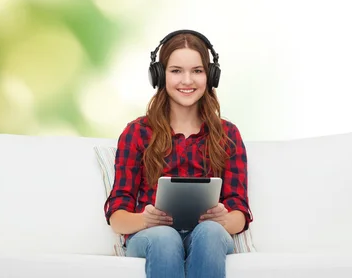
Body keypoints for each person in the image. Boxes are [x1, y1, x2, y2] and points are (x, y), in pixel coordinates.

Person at [104, 30, 252, 278]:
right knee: (165, 237)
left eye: (197, 71)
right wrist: (146, 220)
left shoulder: (228, 134)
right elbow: (117, 217)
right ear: (160, 75)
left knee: (211, 232)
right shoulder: (137, 132)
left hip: (208, 236)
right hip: (152, 237)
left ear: (210, 76)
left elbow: (240, 214)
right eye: (176, 71)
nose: (187, 80)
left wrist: (223, 219)